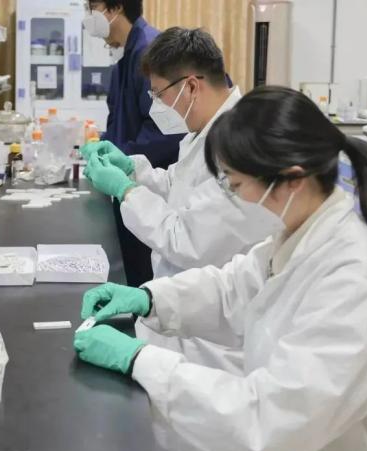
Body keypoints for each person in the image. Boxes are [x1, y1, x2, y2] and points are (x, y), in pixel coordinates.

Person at [74, 86, 367, 451]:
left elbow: (267, 421)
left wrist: (140, 360)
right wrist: (150, 299)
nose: (234, 197)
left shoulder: (358, 282)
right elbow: (233, 289)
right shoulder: (297, 239)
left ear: (292, 179)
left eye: (236, 185)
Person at [83, 28, 273, 281]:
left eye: (159, 94)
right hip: (180, 289)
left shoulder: (240, 146)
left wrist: (126, 190)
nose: (156, 105)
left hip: (206, 296)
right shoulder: (204, 128)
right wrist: (131, 169)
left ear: (191, 86)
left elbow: (186, 241)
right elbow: (179, 186)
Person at [83, 0, 183, 287]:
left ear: (114, 8)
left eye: (92, 7)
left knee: (143, 277)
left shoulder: (148, 51)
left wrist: (123, 158)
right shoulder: (126, 53)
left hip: (151, 189)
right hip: (134, 183)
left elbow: (165, 129)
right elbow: (122, 118)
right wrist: (105, 146)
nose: (88, 16)